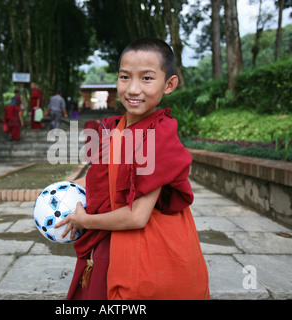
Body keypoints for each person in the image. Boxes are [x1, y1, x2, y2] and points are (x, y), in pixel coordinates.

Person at [55, 37, 210, 300]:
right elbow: (103, 180)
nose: (133, 89)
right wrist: (61, 190)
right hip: (106, 242)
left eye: (147, 78)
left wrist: (85, 221)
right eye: (125, 77)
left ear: (169, 84)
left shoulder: (158, 134)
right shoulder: (115, 127)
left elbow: (137, 216)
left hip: (138, 244)